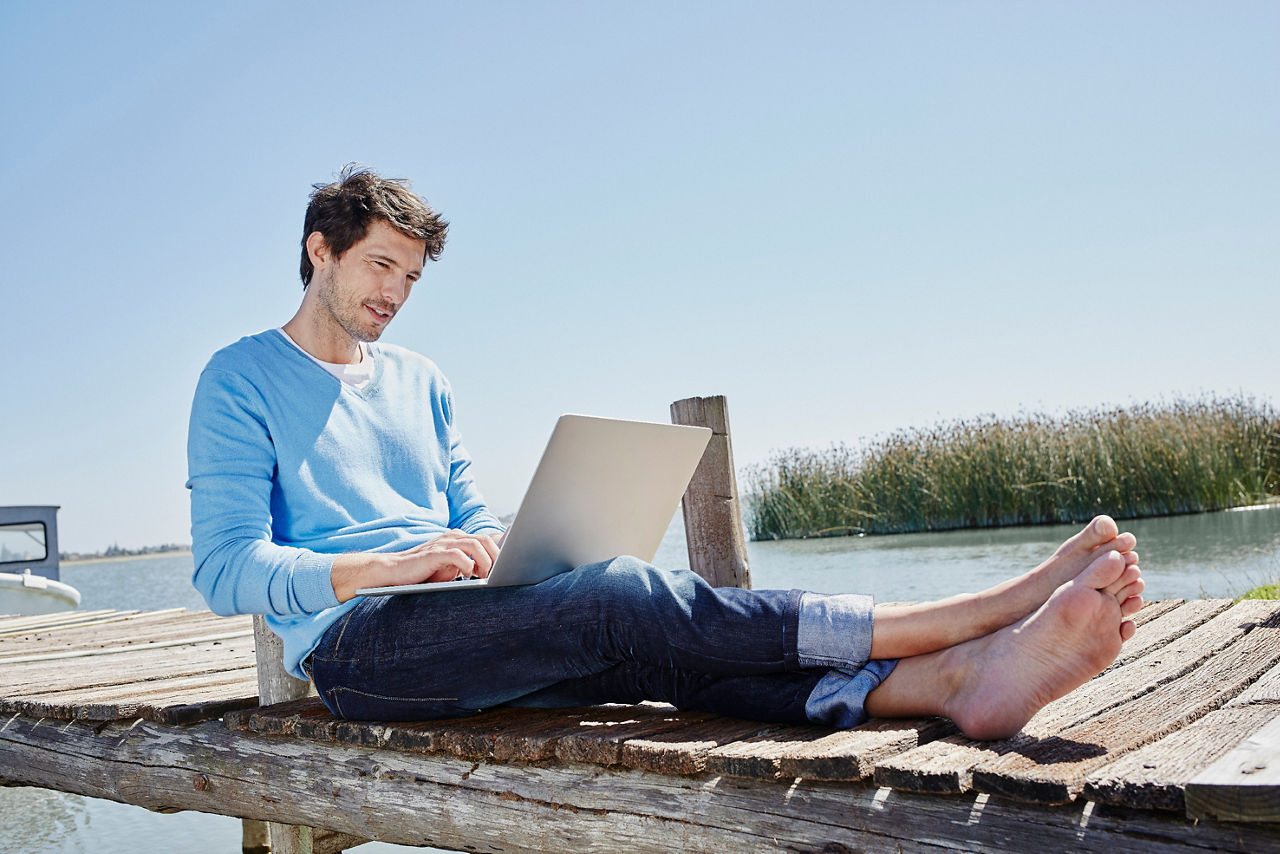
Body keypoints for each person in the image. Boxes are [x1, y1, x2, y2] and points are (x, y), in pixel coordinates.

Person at [188, 166, 1145, 741]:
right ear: (320, 251)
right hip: (361, 653)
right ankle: (961, 621)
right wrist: (381, 569)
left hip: (457, 616)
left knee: (647, 644)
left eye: (411, 275)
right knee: (622, 597)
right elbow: (225, 568)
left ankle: (954, 686)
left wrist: (495, 546)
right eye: (378, 267)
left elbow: (468, 513)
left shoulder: (421, 379)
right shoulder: (239, 379)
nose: (395, 293)